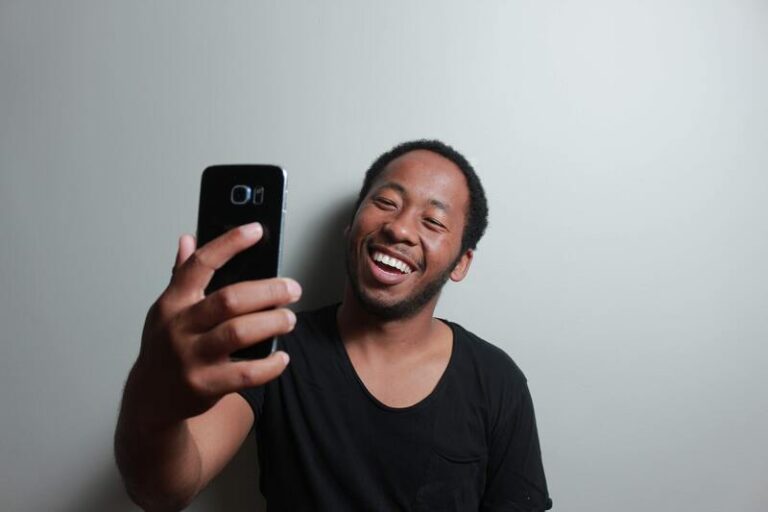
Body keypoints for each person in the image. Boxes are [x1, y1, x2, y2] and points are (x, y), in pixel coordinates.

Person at [115, 140, 552, 511]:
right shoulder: (271, 346)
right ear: (351, 225)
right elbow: (162, 489)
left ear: (461, 262)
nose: (399, 227)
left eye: (433, 221)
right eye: (385, 202)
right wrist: (152, 392)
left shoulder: (498, 383)